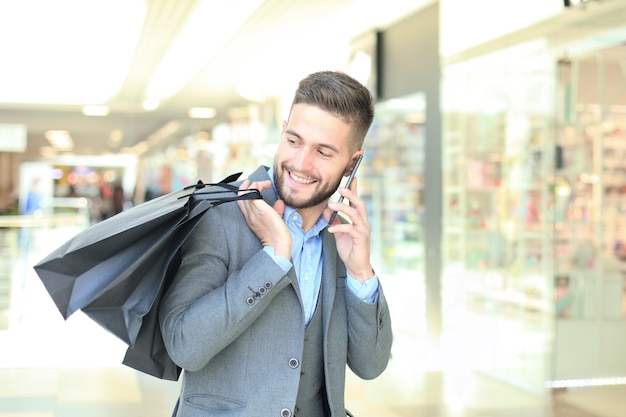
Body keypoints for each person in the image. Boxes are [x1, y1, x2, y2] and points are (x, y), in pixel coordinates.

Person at [159, 70, 393, 417]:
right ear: (282, 131)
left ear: (353, 162)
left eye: (323, 152)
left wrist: (360, 273)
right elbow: (184, 345)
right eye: (294, 140)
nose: (300, 163)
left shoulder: (342, 237)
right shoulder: (222, 216)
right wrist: (273, 258)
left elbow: (370, 366)